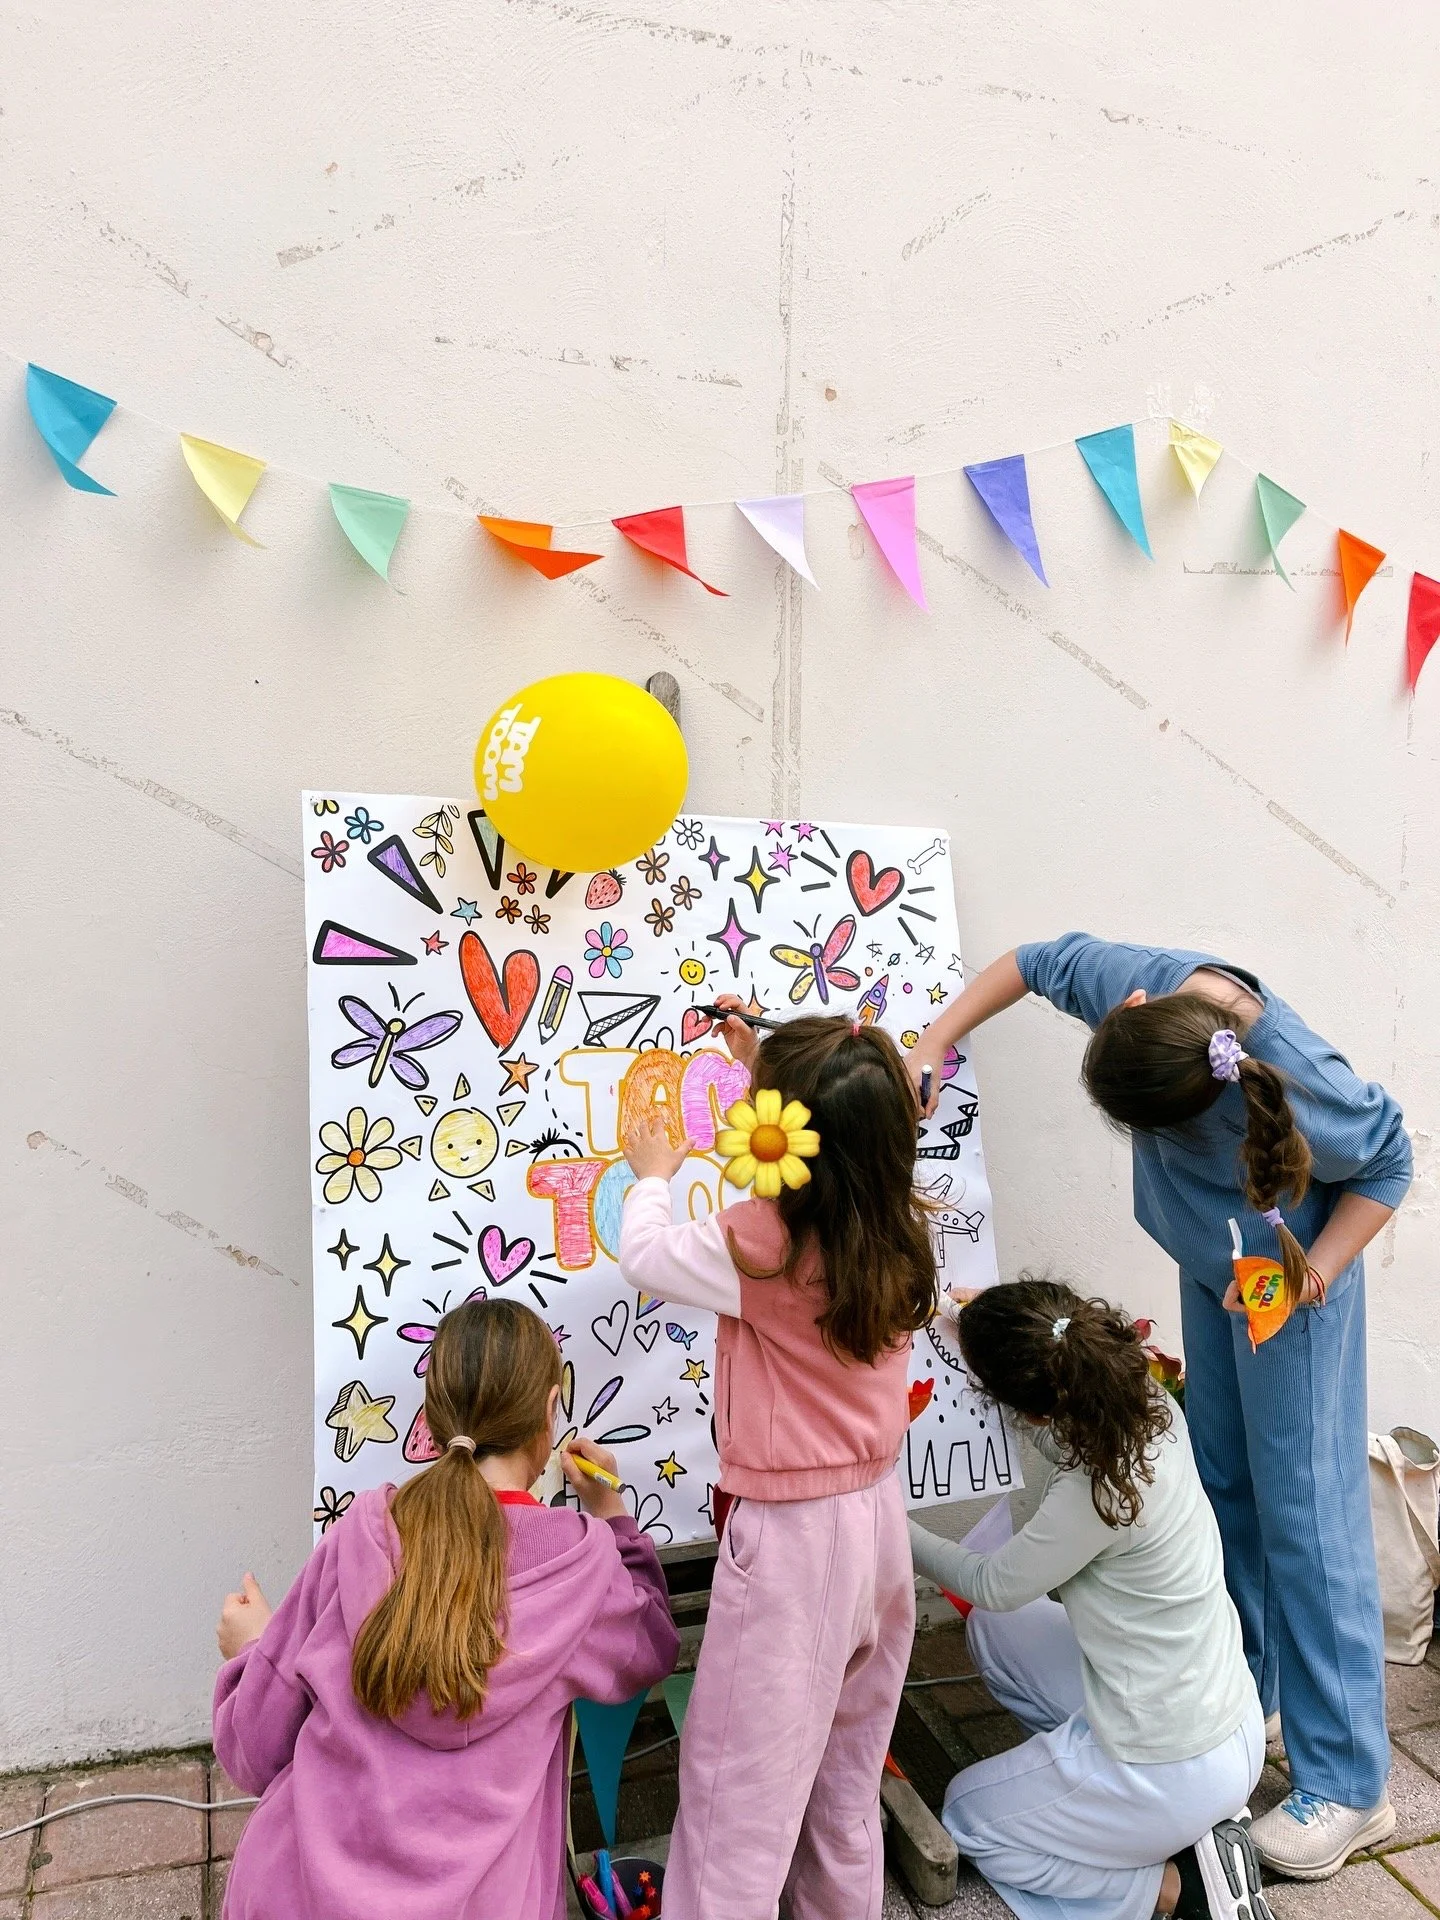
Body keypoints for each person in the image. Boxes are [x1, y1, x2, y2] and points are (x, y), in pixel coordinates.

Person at [909, 935, 1412, 1880]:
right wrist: (929, 1041)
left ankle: (1349, 1785)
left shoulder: (1300, 1084)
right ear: (1129, 1007)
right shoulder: (1144, 995)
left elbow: (1388, 1164)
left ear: (1212, 1110)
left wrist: (1309, 1276)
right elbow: (1034, 961)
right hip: (1213, 1264)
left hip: (1289, 1282)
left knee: (1306, 1513)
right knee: (1222, 1480)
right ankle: (1251, 1693)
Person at [618, 1005, 936, 1920]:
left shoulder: (761, 1242)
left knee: (736, 1801)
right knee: (845, 1775)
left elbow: (644, 1254)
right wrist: (769, 1065)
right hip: (879, 1526)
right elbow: (849, 1131)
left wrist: (653, 1176)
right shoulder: (897, 1225)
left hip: (796, 1549)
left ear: (787, 1136)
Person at [212, 1297, 679, 1920]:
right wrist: (613, 1514)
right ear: (549, 1412)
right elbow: (652, 1644)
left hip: (292, 1896)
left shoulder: (364, 1531)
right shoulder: (581, 1564)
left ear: (429, 1415)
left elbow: (254, 1749)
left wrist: (255, 1647)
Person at [910, 1278, 1271, 1920]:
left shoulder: (1096, 1490)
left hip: (1167, 1760)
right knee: (1001, 1633)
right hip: (1222, 1719)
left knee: (968, 1815)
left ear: (1037, 1407)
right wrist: (993, 1324)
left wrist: (888, 1526)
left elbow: (993, 1582)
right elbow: (1054, 1425)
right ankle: (1119, 1814)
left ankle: (1181, 1890)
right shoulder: (1148, 1404)